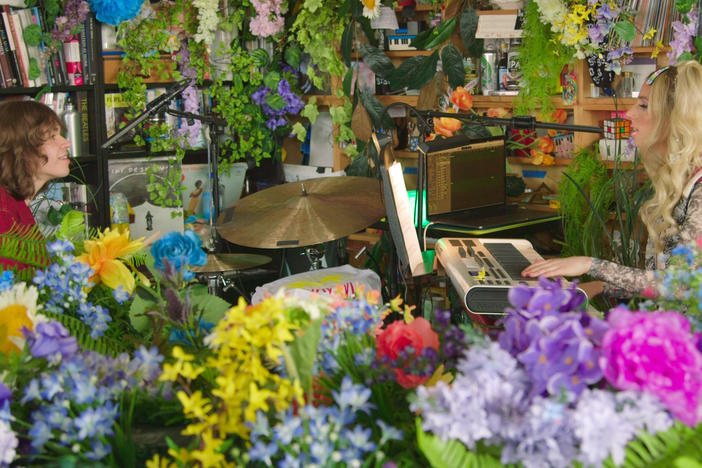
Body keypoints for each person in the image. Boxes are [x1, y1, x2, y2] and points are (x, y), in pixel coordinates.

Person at [522, 61, 702, 299]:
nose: (629, 113)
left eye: (644, 106)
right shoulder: (681, 178)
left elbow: (684, 285)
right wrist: (597, 287)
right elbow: (663, 279)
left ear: (674, 118)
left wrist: (592, 266)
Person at [0, 99, 72, 271]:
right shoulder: (3, 215)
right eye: (52, 137)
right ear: (21, 148)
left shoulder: (15, 207)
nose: (66, 143)